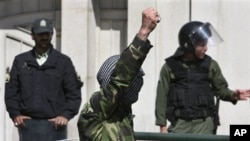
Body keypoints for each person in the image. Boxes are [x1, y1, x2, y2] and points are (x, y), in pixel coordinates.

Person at [77, 8, 160, 141]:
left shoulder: (122, 112)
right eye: (135, 79)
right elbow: (121, 79)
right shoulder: (95, 110)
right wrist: (144, 32)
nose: (140, 84)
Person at [155, 21, 250, 134]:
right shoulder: (170, 67)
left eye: (206, 44)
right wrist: (162, 126)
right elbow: (162, 97)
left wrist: (233, 95)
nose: (206, 48)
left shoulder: (210, 65)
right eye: (202, 45)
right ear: (189, 45)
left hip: (205, 126)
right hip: (180, 125)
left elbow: (221, 90)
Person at [5, 18, 82, 141]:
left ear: (52, 35)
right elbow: (11, 92)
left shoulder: (63, 62)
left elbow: (74, 94)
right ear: (32, 35)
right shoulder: (20, 61)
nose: (44, 37)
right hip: (27, 127)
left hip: (55, 127)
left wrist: (65, 115)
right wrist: (16, 114)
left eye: (47, 34)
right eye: (40, 34)